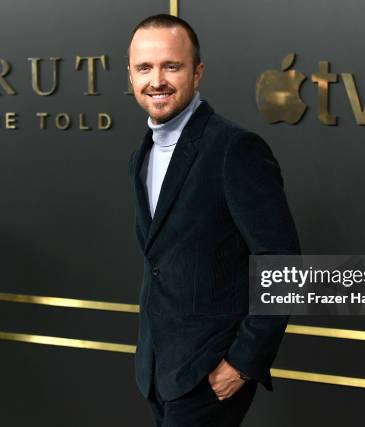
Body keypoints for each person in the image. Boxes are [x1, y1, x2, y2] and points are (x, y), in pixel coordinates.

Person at [127, 14, 300, 426]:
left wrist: (242, 363)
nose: (157, 80)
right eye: (144, 68)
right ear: (130, 74)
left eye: (172, 66)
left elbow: (284, 263)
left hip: (210, 372)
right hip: (158, 370)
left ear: (197, 72)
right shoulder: (142, 155)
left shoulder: (234, 149)